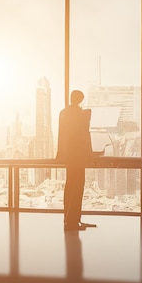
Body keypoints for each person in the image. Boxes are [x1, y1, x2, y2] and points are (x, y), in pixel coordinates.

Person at [56, 90, 97, 231]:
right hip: (79, 157)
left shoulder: (63, 113)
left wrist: (60, 154)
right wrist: (90, 156)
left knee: (69, 188)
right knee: (78, 189)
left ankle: (68, 219)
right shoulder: (80, 115)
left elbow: (61, 135)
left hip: (68, 157)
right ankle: (74, 222)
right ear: (80, 100)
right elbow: (85, 137)